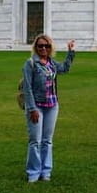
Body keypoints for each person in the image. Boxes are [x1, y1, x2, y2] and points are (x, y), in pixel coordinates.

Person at [21, 34, 76, 183]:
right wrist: (32, 109)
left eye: (47, 46)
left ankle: (45, 172)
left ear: (51, 48)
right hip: (36, 106)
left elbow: (64, 68)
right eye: (40, 46)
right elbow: (27, 88)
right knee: (35, 140)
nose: (43, 48)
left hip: (52, 106)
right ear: (36, 48)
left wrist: (71, 52)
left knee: (47, 141)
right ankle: (33, 172)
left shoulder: (52, 63)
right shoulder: (31, 63)